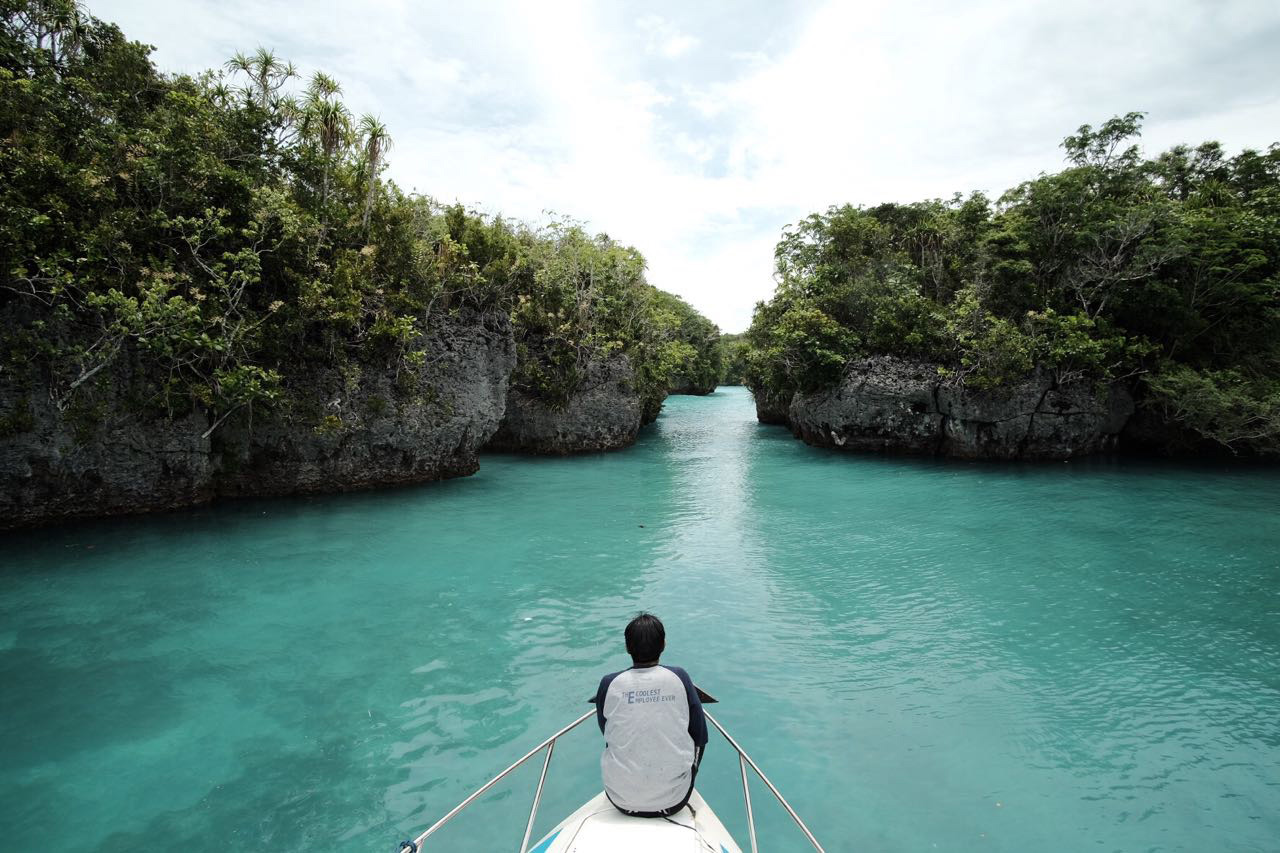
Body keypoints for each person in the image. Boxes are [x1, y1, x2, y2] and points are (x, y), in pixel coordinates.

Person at [593, 612, 708, 817]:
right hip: (674, 802)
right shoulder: (679, 677)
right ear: (663, 644)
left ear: (627, 647)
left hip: (620, 800)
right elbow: (700, 736)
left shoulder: (609, 683)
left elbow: (605, 730)